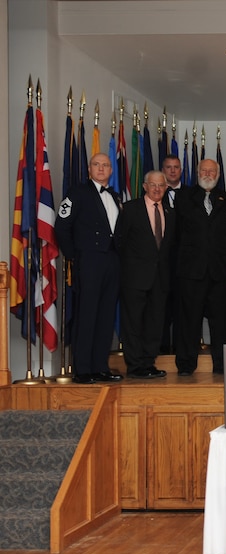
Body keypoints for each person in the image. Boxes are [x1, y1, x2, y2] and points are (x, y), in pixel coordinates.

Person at [55, 153, 123, 384]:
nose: (101, 168)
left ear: (111, 171)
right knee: (87, 314)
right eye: (97, 164)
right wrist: (76, 256)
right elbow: (61, 227)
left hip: (112, 261)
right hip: (90, 260)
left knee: (105, 315)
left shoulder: (114, 195)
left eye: (105, 165)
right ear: (89, 169)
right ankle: (82, 369)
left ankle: (100, 366)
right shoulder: (78, 192)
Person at [174, 159, 226, 376]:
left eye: (212, 171)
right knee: (189, 320)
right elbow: (176, 234)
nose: (208, 174)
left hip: (219, 271)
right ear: (197, 172)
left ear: (218, 174)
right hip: (191, 271)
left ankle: (221, 365)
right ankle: (186, 365)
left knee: (221, 323)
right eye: (204, 170)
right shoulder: (183, 198)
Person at [114, 170, 173, 379]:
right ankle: (135, 365)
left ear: (166, 188)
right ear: (145, 186)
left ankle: (149, 363)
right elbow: (119, 242)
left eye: (161, 185)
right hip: (134, 278)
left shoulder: (169, 210)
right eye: (153, 185)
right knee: (133, 323)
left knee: (154, 323)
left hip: (160, 278)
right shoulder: (130, 209)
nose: (157, 189)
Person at [159, 154, 186, 354]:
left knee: (182, 307)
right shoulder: (154, 194)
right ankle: (161, 348)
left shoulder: (191, 195)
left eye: (176, 167)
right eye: (168, 167)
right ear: (163, 170)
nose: (173, 171)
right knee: (160, 307)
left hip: (184, 260)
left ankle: (179, 347)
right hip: (159, 260)